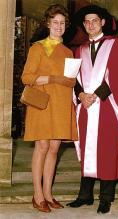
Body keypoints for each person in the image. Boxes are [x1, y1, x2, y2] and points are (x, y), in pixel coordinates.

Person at [67, 4, 118, 214]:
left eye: (94, 21)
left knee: (107, 150)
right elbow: (74, 79)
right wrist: (80, 95)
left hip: (107, 106)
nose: (90, 25)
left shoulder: (117, 45)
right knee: (88, 149)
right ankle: (85, 195)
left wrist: (95, 95)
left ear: (103, 22)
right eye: (87, 22)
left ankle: (105, 198)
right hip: (87, 108)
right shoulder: (80, 49)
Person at [21, 4, 78, 213]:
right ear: (48, 24)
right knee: (42, 147)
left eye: (62, 23)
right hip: (42, 104)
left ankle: (48, 194)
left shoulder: (68, 51)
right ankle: (37, 195)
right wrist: (54, 78)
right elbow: (26, 77)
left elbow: (71, 82)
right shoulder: (38, 48)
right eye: (55, 22)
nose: (59, 26)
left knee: (54, 148)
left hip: (61, 104)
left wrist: (69, 81)